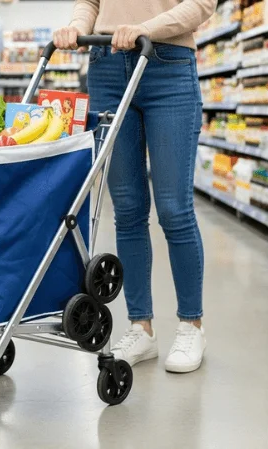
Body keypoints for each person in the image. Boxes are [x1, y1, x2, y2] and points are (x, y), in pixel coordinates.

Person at [54, 0, 216, 373]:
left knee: (175, 208)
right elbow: (91, 2)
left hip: (168, 66)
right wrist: (77, 27)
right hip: (107, 66)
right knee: (126, 209)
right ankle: (140, 326)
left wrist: (150, 27)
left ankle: (192, 324)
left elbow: (203, 3)